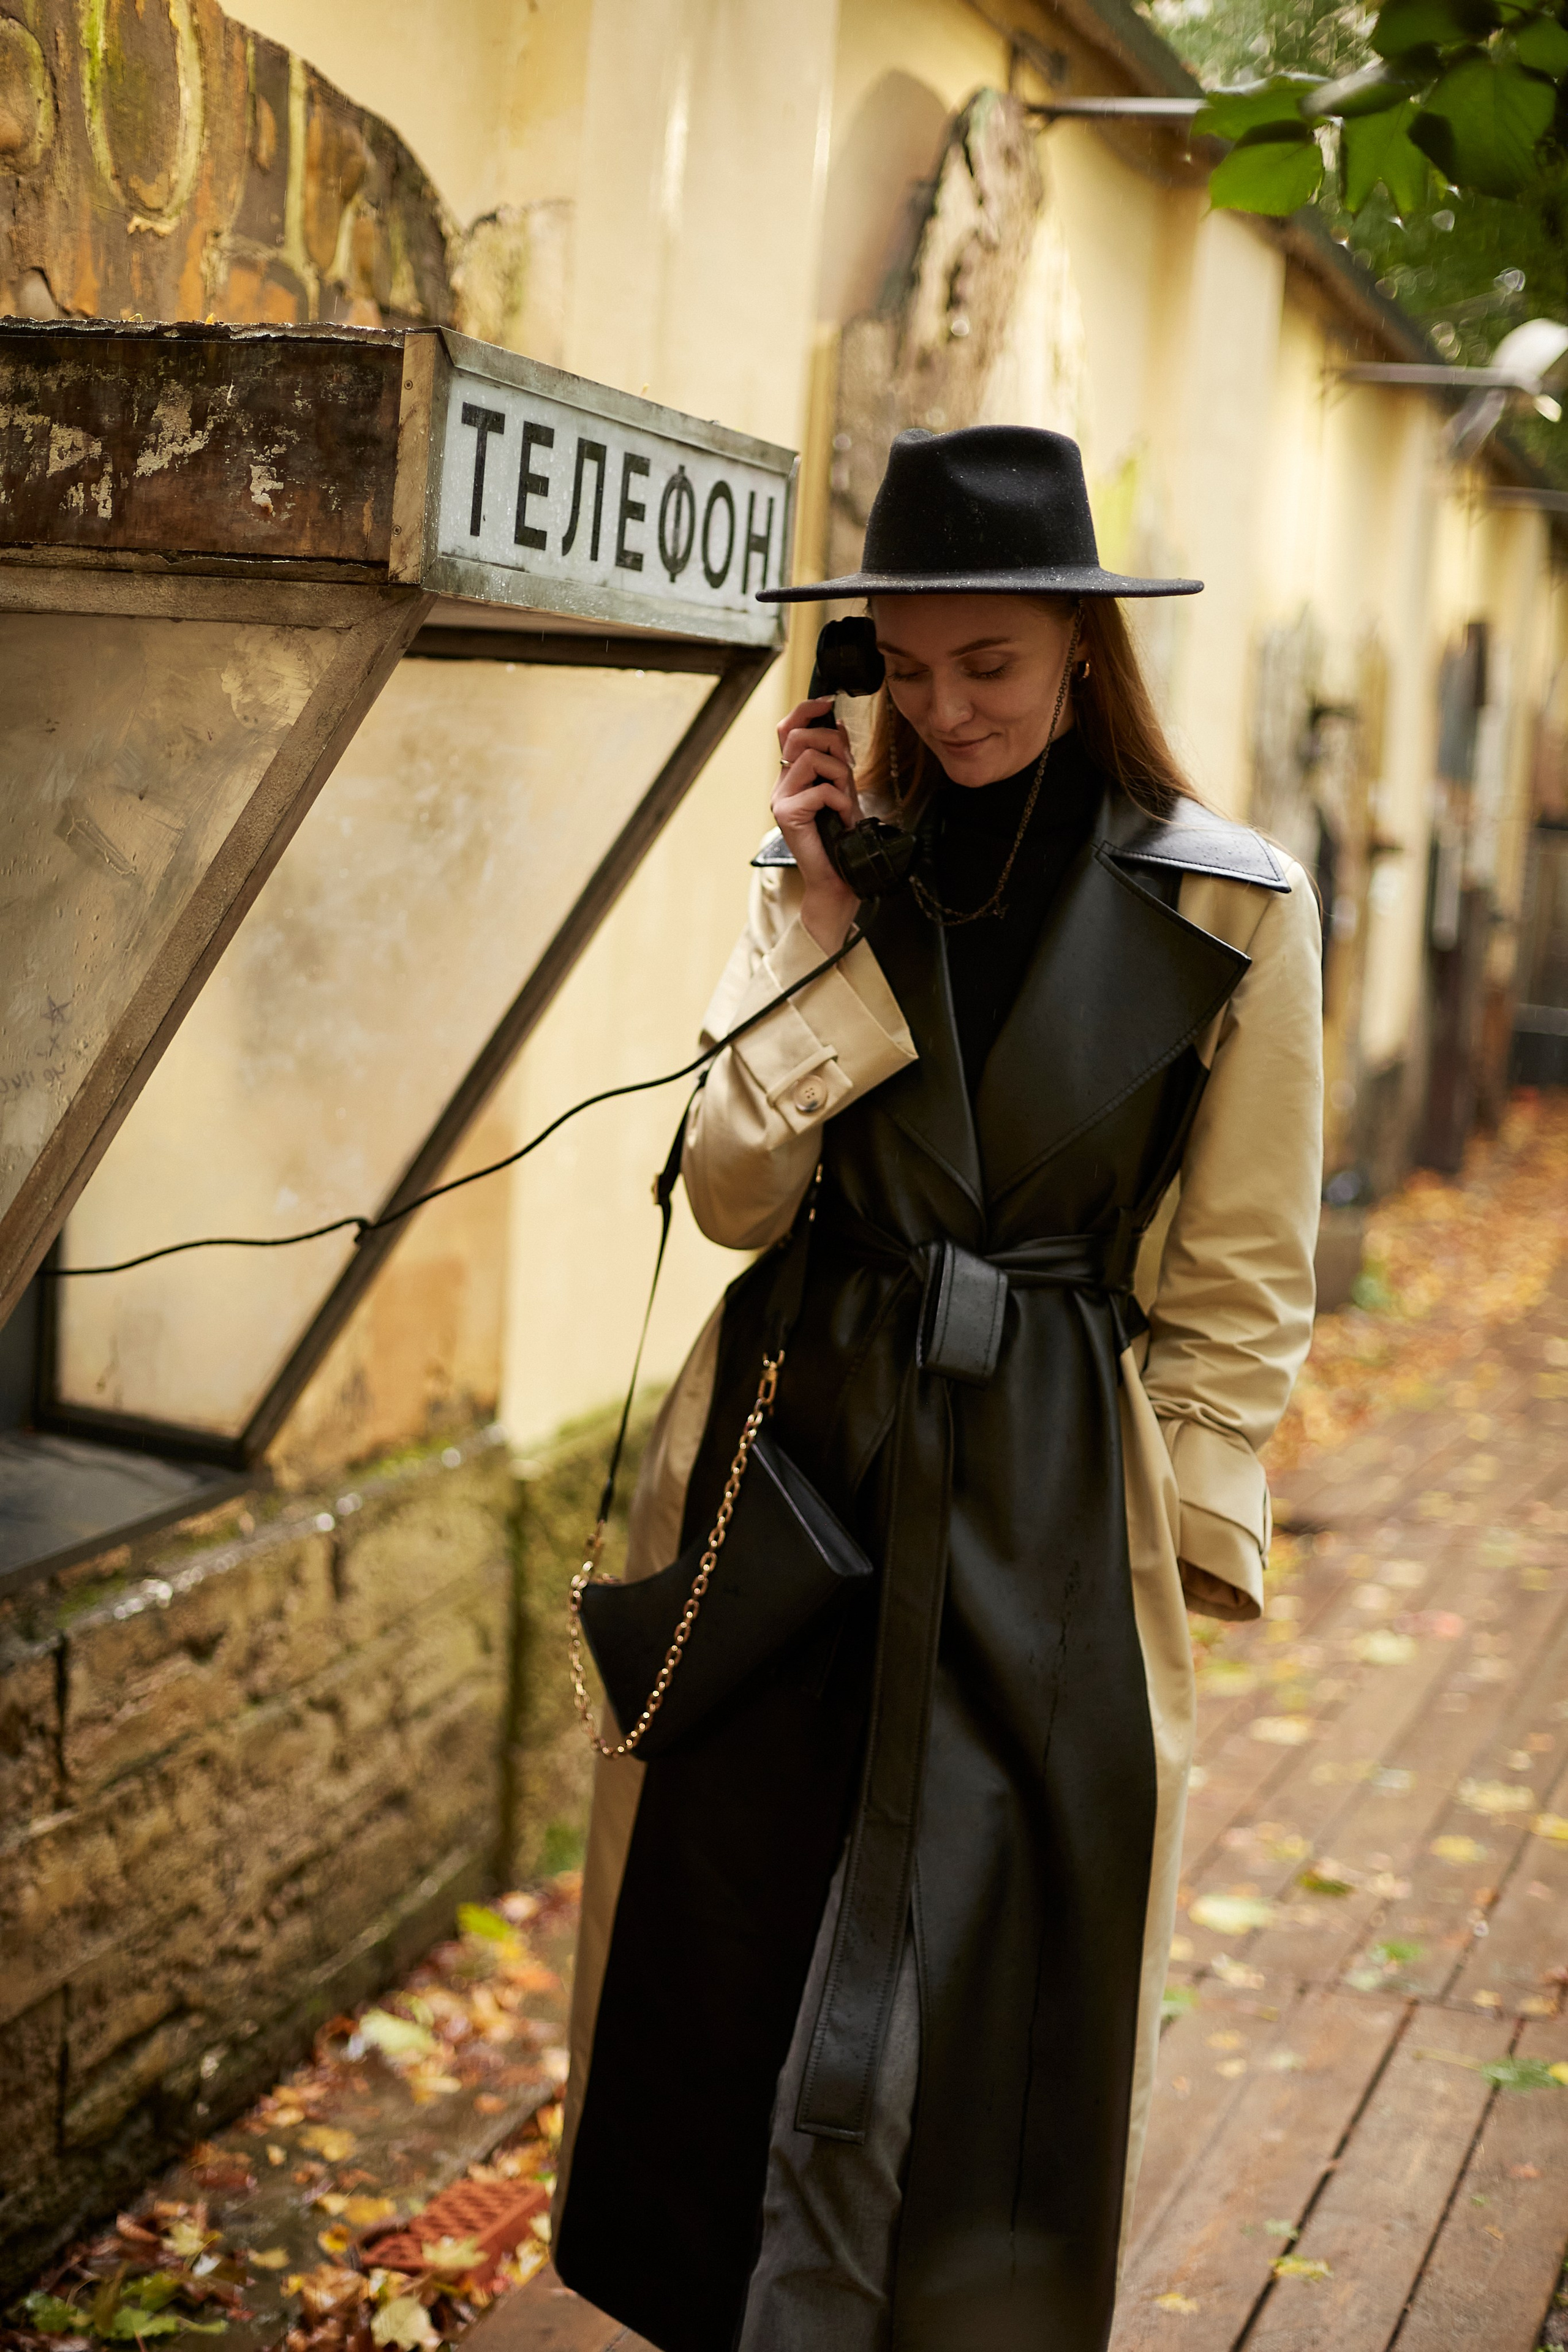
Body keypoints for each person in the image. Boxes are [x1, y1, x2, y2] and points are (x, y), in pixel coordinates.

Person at [551, 426, 1323, 2352]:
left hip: (1054, 1476)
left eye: (989, 662)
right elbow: (734, 1192)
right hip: (805, 1445)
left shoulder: (1235, 909)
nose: (946, 706)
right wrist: (813, 933)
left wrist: (1195, 1547)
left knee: (994, 1976)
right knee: (751, 1940)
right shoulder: (821, 871)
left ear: (1079, 647)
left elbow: (1239, 1269)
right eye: (904, 665)